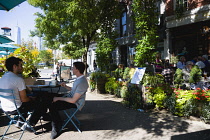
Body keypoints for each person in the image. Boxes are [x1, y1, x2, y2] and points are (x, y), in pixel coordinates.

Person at [0, 57, 47, 131]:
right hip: (16, 108)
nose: (22, 67)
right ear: (14, 66)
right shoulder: (18, 79)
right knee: (42, 102)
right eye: (20, 65)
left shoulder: (2, 78)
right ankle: (30, 124)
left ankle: (20, 122)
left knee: (27, 102)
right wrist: (32, 98)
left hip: (4, 108)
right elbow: (24, 99)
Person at [49, 62, 89, 139]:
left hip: (75, 103)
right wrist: (66, 86)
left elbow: (73, 100)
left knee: (53, 105)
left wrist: (58, 98)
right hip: (70, 97)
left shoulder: (82, 82)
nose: (71, 69)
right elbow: (74, 90)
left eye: (73, 68)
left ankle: (56, 128)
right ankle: (50, 118)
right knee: (48, 96)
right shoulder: (79, 79)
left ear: (77, 69)